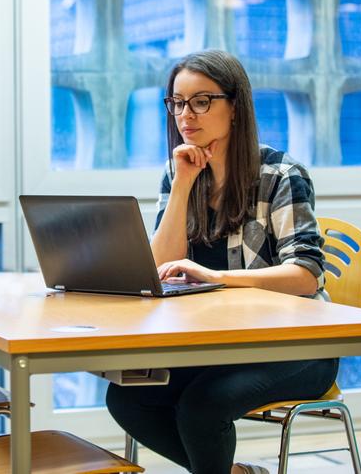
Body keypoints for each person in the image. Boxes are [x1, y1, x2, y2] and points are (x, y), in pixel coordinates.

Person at [105, 49, 338, 474]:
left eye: (201, 101)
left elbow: (306, 274)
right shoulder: (180, 170)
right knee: (129, 396)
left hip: (298, 345)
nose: (185, 115)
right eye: (176, 102)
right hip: (222, 343)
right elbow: (158, 268)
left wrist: (217, 276)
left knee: (202, 407)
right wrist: (182, 187)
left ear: (235, 107)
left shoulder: (280, 174)